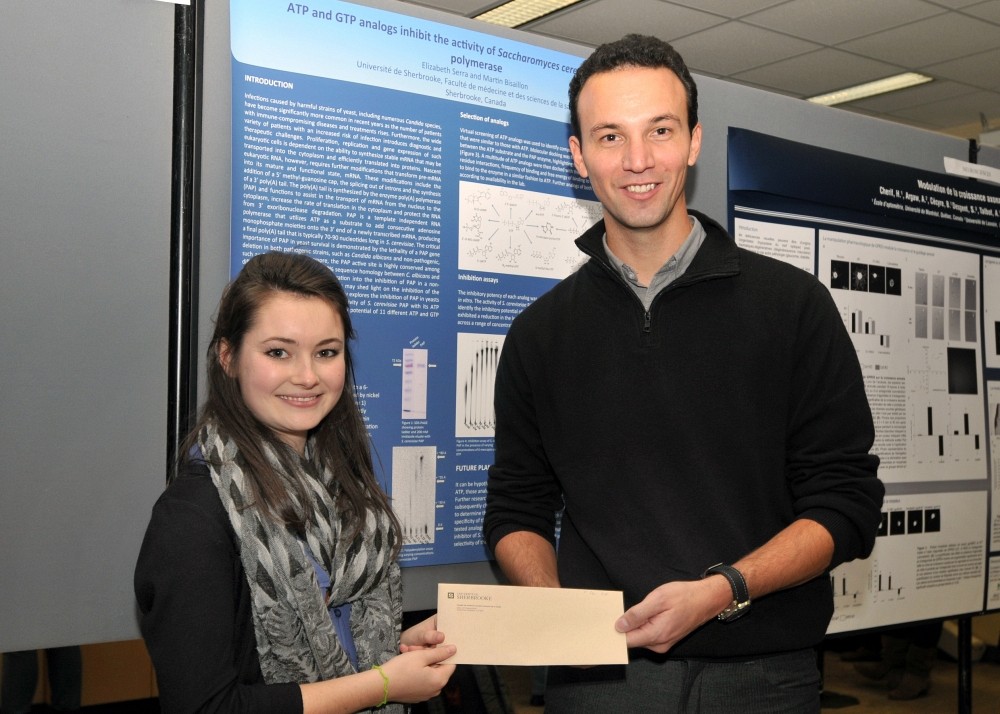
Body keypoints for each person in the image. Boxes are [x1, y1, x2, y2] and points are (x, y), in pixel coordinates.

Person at [483, 34, 885, 713]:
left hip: (762, 680)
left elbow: (845, 502)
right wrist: (555, 613)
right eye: (610, 136)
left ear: (693, 141)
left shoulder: (792, 307)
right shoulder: (539, 334)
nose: (638, 161)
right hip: (600, 682)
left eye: (659, 131)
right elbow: (517, 508)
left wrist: (724, 588)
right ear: (579, 157)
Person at [135, 252, 456, 713]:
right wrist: (383, 686)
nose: (307, 376)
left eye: (326, 352)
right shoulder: (192, 518)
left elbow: (328, 644)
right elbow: (206, 706)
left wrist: (401, 648)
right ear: (228, 357)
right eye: (278, 352)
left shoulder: (344, 491)